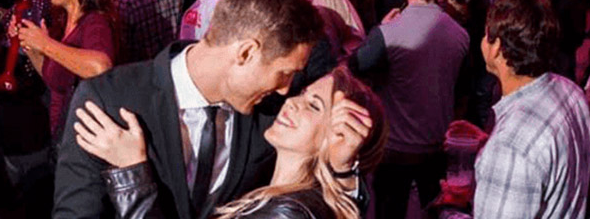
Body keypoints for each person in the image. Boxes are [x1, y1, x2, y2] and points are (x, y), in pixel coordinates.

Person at [53, 0, 370, 219]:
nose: (287, 89)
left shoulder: (271, 117)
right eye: (285, 72)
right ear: (246, 53)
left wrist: (344, 171)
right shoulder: (111, 98)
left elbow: (316, 196)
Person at [75, 66, 386, 219]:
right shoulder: (283, 193)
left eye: (314, 106)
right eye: (303, 95)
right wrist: (344, 170)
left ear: (338, 138)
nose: (292, 103)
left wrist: (132, 172)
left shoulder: (288, 213)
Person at [349, 0, 468, 219]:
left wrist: (379, 29)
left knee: (390, 211)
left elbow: (356, 65)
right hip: (436, 145)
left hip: (395, 149)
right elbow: (460, 87)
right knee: (433, 210)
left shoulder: (389, 32)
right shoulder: (459, 33)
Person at [459, 0, 590, 218]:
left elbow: (519, 151)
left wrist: (449, 212)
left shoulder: (511, 147)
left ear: (497, 47)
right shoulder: (571, 92)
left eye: (485, 35)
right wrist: (486, 142)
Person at [16, 0, 116, 133]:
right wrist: (30, 44)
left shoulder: (95, 23)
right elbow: (53, 79)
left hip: (80, 141)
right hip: (60, 135)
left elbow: (100, 67)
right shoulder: (64, 22)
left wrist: (45, 44)